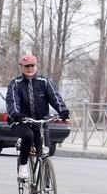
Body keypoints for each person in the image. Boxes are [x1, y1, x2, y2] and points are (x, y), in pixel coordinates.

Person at [5, 54, 70, 184]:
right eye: (26, 66)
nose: (30, 68)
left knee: (45, 152)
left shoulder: (44, 82)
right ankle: (23, 166)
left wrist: (63, 111)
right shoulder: (15, 84)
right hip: (20, 121)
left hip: (40, 122)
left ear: (36, 66)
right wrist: (16, 114)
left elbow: (55, 98)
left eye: (32, 66)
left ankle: (46, 186)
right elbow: (12, 101)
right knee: (28, 136)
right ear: (22, 67)